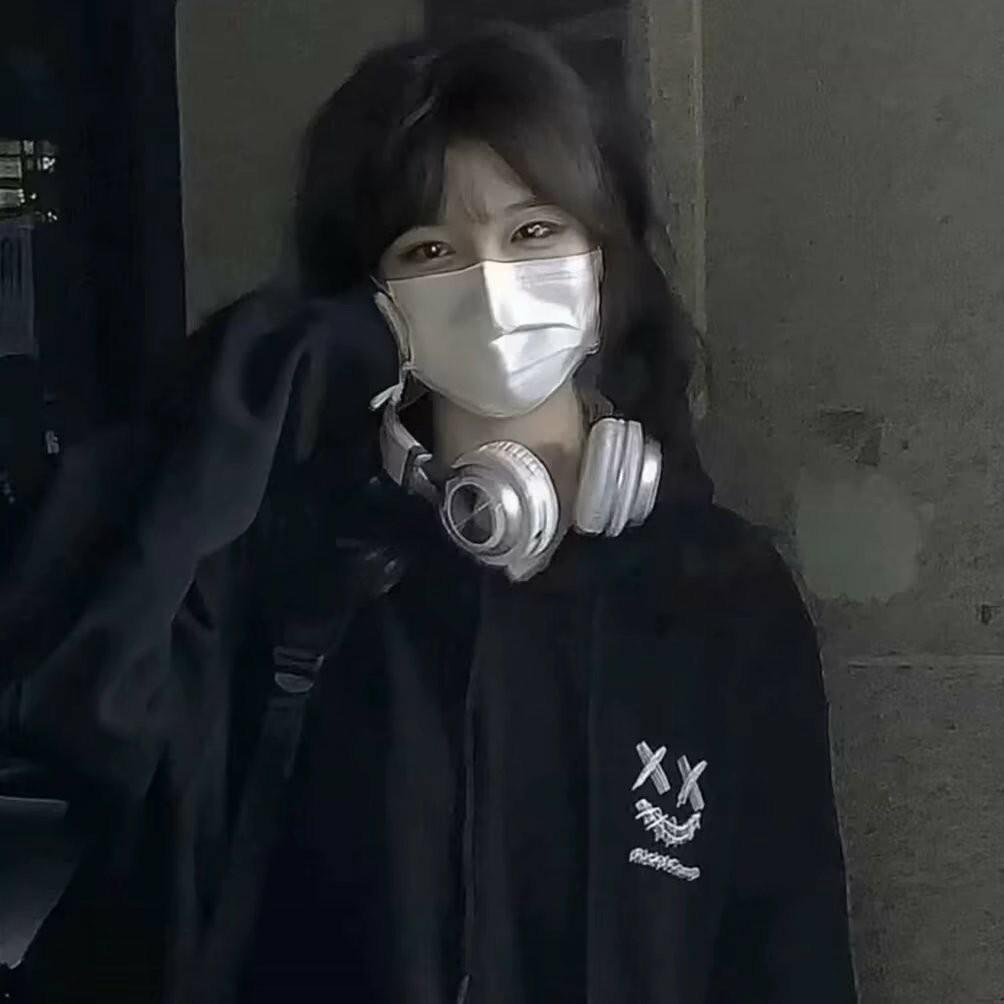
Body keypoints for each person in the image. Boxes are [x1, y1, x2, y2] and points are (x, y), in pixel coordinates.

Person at [0, 23, 857, 1004]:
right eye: (432, 249)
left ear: (604, 261)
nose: (490, 285)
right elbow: (62, 684)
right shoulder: (292, 574)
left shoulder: (719, 598)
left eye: (532, 232)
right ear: (372, 301)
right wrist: (272, 367)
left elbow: (789, 951)